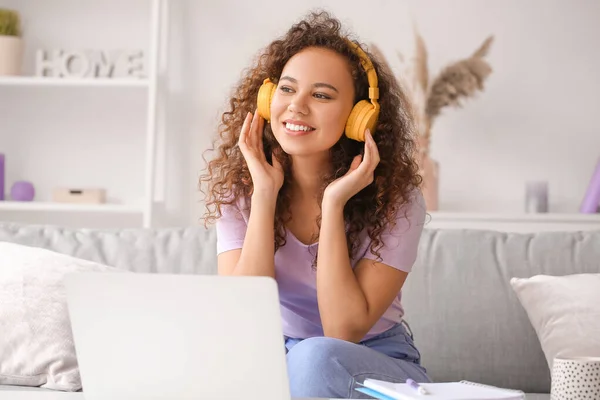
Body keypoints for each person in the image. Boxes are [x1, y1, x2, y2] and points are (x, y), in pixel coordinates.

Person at [200, 9, 430, 399]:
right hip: (278, 357)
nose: (297, 106)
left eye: (321, 95)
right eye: (287, 89)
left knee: (314, 357)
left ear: (361, 117)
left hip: (371, 364)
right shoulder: (240, 191)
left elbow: (344, 329)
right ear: (267, 98)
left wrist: (334, 203)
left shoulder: (398, 198)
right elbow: (241, 314)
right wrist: (264, 195)